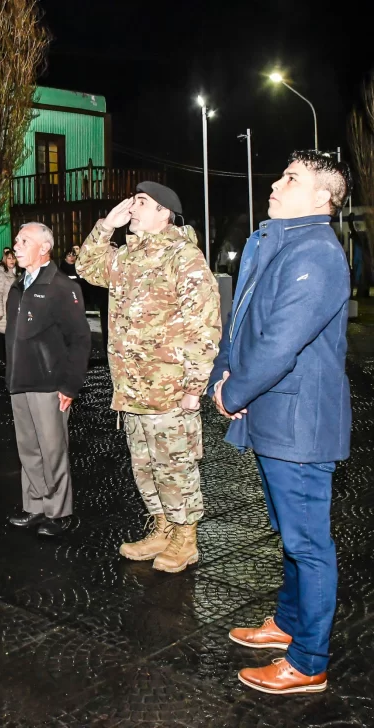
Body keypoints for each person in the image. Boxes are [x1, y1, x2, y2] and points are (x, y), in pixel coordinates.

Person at [209, 151, 352, 695]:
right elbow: (242, 321)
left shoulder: (316, 252)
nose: (275, 183)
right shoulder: (278, 242)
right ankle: (289, 626)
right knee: (290, 538)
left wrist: (234, 391)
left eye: (291, 179)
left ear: (322, 198)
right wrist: (224, 374)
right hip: (275, 414)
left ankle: (309, 660)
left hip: (298, 423)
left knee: (309, 543)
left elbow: (279, 345)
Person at [77, 181, 221, 573]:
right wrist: (107, 225)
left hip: (171, 391)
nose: (132, 207)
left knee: (175, 467)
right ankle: (162, 528)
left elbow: (204, 327)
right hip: (132, 391)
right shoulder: (126, 258)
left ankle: (185, 536)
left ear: (164, 213)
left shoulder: (183, 258)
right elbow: (86, 267)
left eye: (141, 203)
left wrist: (194, 387)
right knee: (144, 467)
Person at [6, 222, 91, 537]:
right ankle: (35, 506)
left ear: (44, 247)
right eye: (17, 240)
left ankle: (58, 512)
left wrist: (70, 384)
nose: (16, 245)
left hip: (49, 384)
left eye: (23, 240)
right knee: (28, 449)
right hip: (19, 382)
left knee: (53, 449)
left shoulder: (61, 286)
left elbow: (81, 339)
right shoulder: (19, 286)